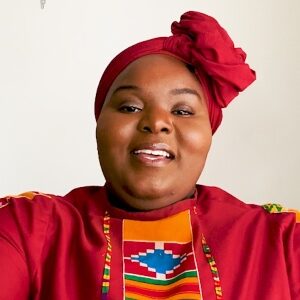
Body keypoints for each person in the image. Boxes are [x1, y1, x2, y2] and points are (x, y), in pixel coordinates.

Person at [0, 11, 299, 300]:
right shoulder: (27, 226)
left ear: (208, 133)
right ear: (99, 124)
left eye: (182, 111)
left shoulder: (283, 240)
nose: (156, 123)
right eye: (130, 107)